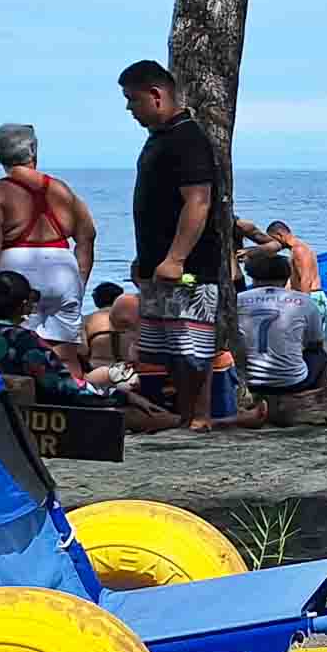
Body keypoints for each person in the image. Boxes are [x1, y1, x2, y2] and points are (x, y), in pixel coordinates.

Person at [120, 58, 226, 432]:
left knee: (192, 346)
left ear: (156, 95)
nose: (129, 109)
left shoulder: (188, 138)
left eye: (133, 99)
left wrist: (176, 258)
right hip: (156, 262)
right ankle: (185, 415)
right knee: (166, 347)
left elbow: (198, 200)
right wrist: (146, 258)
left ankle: (200, 416)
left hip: (188, 267)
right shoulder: (160, 139)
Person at [0, 271, 179, 434]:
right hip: (43, 414)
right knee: (155, 417)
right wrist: (123, 396)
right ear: (23, 304)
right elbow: (64, 388)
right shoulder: (23, 340)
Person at [0, 123, 97, 372]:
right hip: (63, 271)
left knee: (17, 351)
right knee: (66, 355)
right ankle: (75, 392)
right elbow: (87, 236)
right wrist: (80, 280)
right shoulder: (61, 190)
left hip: (17, 274)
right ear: (34, 152)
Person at [235, 249, 327, 412]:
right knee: (326, 350)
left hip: (248, 381)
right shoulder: (305, 302)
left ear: (252, 277)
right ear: (287, 277)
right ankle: (317, 401)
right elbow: (315, 344)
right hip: (292, 382)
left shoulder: (238, 300)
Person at [235, 217, 321, 293]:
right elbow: (294, 279)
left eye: (274, 239)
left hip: (311, 294)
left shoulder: (299, 250)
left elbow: (306, 279)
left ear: (280, 235)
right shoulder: (295, 250)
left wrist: (304, 300)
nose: (276, 243)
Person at [82, 281, 128, 367]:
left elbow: (83, 351)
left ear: (96, 299)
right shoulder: (133, 318)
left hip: (99, 368)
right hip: (129, 368)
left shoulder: (86, 320)